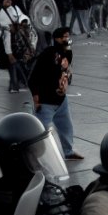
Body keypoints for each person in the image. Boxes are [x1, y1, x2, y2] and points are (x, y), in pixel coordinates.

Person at [28, 26, 85, 161]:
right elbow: (33, 78)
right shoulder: (48, 53)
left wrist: (68, 47)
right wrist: (36, 99)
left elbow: (67, 62)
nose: (67, 39)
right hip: (45, 101)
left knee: (66, 128)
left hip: (61, 100)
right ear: (57, 39)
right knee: (40, 131)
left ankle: (68, 151)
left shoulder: (66, 53)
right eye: (64, 37)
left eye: (68, 36)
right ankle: (34, 156)